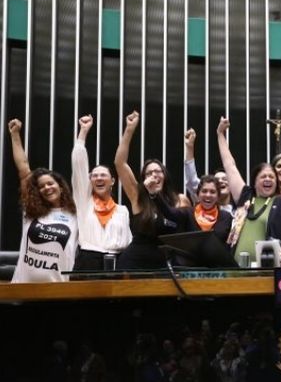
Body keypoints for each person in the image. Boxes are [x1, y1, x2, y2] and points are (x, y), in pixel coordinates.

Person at [217, 117, 281, 266]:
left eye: (272, 177)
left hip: (269, 270)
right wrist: (220, 134)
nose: (268, 179)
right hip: (237, 268)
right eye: (263, 176)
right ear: (254, 182)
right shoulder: (245, 196)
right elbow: (229, 165)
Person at [114, 111, 188, 269]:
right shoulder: (138, 196)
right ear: (144, 180)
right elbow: (120, 163)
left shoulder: (179, 200)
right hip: (135, 262)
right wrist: (129, 129)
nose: (154, 175)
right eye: (149, 173)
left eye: (158, 171)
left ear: (165, 176)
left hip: (165, 263)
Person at [8, 118, 78, 282]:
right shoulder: (32, 211)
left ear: (61, 187)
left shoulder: (75, 213)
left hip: (59, 289)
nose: (46, 188)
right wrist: (15, 134)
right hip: (22, 287)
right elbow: (24, 170)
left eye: (50, 183)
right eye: (41, 186)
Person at [70, 115, 132, 270]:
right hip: (88, 262)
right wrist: (83, 132)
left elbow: (128, 242)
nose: (98, 178)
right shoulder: (84, 203)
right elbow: (78, 165)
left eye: (103, 175)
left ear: (112, 181)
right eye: (94, 175)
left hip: (119, 262)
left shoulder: (122, 211)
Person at [154, 175, 233, 245]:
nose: (208, 195)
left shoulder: (226, 217)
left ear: (218, 196)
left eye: (212, 192)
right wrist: (155, 194)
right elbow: (169, 212)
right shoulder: (188, 213)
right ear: (198, 194)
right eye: (204, 191)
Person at [183, 128, 234, 213]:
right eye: (217, 180)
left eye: (225, 179)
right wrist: (189, 147)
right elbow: (191, 181)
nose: (221, 181)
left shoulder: (238, 211)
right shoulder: (204, 204)